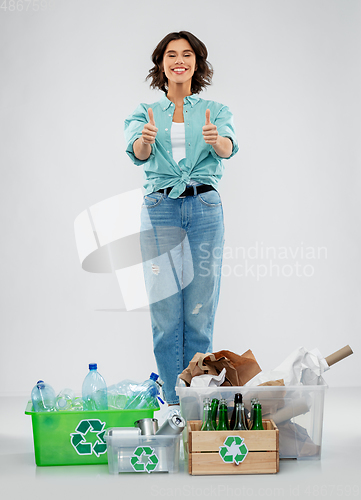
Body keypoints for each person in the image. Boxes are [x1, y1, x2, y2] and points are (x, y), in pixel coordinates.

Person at [124, 31, 238, 408]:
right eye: (171, 55)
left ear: (196, 63)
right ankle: (173, 402)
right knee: (165, 310)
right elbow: (139, 155)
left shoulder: (216, 111)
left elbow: (228, 148)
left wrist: (214, 139)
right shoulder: (145, 112)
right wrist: (144, 139)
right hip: (160, 209)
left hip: (204, 208)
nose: (179, 60)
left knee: (200, 308)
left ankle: (198, 401)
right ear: (161, 64)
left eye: (186, 54)